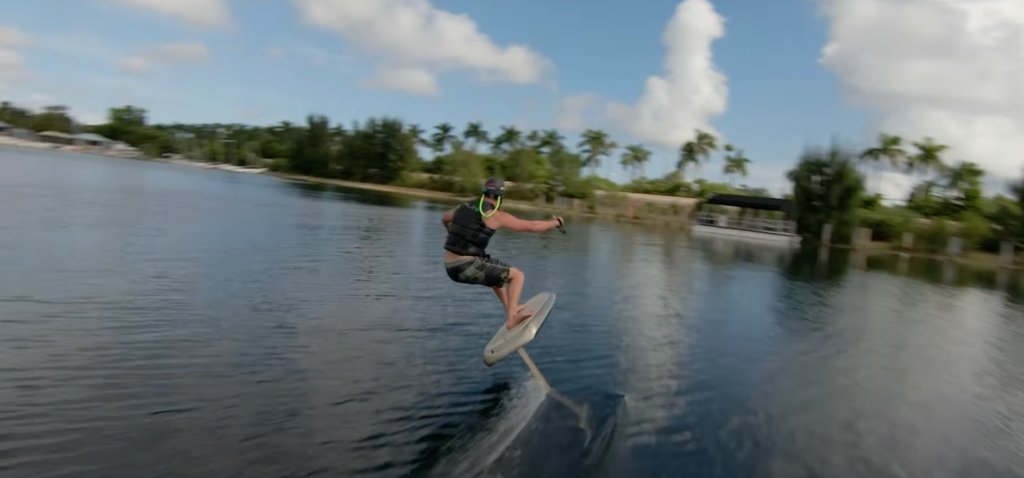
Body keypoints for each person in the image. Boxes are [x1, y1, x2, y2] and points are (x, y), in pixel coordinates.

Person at [442, 177, 564, 330]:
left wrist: (458, 237)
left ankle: (510, 308)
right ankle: (512, 318)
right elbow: (532, 226)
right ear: (500, 197)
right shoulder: (494, 214)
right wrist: (556, 222)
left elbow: (446, 218)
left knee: (497, 276)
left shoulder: (463, 206)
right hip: (466, 266)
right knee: (517, 276)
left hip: (449, 266)